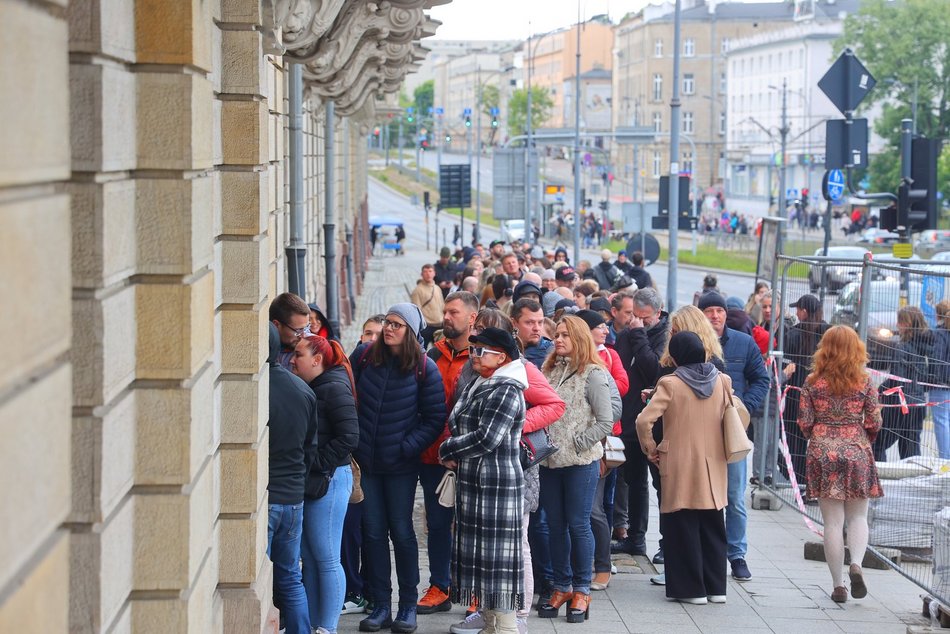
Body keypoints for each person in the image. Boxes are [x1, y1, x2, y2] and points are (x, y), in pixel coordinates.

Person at [350, 304, 447, 633]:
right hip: (369, 464)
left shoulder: (424, 367)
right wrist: (356, 442)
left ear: (411, 331)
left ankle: (407, 606)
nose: (388, 328)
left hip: (401, 467)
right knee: (373, 534)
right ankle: (379, 603)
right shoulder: (365, 356)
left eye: (396, 325)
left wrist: (405, 448)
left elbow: (434, 419)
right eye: (387, 323)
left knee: (402, 533)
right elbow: (349, 397)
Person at [636, 331, 746, 605]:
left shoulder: (670, 383)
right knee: (712, 525)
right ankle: (716, 588)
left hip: (679, 463)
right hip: (714, 465)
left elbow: (643, 421)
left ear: (675, 355)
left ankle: (691, 590)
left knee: (681, 525)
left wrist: (651, 449)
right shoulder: (722, 380)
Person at [439, 327, 528, 634]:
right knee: (484, 562)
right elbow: (456, 420)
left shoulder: (507, 388)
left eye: (480, 351)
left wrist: (448, 448)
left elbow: (487, 438)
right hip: (475, 483)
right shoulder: (482, 381)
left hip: (498, 486)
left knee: (498, 565)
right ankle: (490, 624)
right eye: (474, 350)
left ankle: (505, 628)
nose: (474, 355)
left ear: (501, 356)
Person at [797, 326, 883, 603]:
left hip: (823, 450)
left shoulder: (812, 381)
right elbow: (874, 422)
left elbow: (804, 423)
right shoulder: (866, 381)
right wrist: (859, 436)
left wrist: (822, 436)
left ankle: (838, 585)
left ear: (825, 348)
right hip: (856, 449)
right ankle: (856, 562)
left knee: (832, 523)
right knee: (858, 516)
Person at [539, 316, 614, 623]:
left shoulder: (593, 373)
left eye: (565, 335)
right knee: (554, 525)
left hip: (581, 462)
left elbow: (605, 420)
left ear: (580, 338)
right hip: (549, 460)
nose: (558, 340)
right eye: (556, 334)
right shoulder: (550, 370)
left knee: (578, 524)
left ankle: (582, 588)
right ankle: (562, 584)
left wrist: (580, 442)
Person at [648, 305, 726, 586]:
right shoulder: (718, 373)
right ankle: (711, 584)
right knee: (707, 516)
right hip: (709, 454)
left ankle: (688, 580)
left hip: (673, 450)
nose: (673, 336)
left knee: (682, 515)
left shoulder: (674, 373)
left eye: (677, 331)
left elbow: (646, 420)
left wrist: (650, 448)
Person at [416, 291, 480, 617]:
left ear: (472, 318)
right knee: (438, 525)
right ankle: (440, 586)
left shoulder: (482, 356)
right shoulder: (432, 355)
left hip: (468, 456)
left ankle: (473, 592)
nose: (447, 317)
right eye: (446, 311)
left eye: (454, 312)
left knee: (471, 526)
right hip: (433, 455)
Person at [291, 335, 359, 633]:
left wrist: (317, 463)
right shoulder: (318, 385)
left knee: (327, 557)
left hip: (330, 481)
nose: (293, 360)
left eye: (298, 355)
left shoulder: (332, 386)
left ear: (317, 360)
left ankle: (327, 627)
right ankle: (314, 624)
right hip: (318, 480)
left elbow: (349, 436)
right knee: (311, 557)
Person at [699, 291, 769, 582]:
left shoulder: (743, 342)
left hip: (732, 433)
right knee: (702, 497)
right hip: (700, 432)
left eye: (720, 310)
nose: (715, 315)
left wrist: (745, 407)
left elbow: (761, 379)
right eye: (709, 310)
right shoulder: (693, 343)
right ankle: (704, 551)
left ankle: (737, 554)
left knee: (735, 497)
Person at [266, 323, 318, 634]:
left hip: (268, 497)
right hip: (293, 497)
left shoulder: (255, 389)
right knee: (289, 577)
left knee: (257, 579)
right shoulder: (303, 390)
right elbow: (310, 448)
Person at [614, 288, 669, 559]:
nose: (637, 322)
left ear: (658, 313)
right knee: (634, 482)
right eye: (633, 316)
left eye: (644, 318)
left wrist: (638, 336)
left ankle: (666, 544)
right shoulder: (626, 335)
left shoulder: (667, 336)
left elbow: (654, 372)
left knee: (662, 485)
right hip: (629, 422)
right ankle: (635, 539)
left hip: (657, 424)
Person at [575, 309, 628, 591]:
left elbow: (615, 403)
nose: (606, 330)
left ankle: (603, 566)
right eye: (600, 327)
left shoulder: (604, 362)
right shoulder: (561, 364)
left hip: (597, 446)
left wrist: (598, 445)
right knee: (575, 513)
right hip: (567, 452)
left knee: (594, 509)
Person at [781, 294, 830, 489]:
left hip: (796, 395)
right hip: (822, 396)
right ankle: (818, 485)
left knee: (795, 441)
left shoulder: (792, 334)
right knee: (820, 443)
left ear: (805, 312)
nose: (796, 313)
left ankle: (800, 482)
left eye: (798, 309)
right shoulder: (829, 334)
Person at [874, 306, 935, 460]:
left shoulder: (901, 347)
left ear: (906, 324)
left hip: (899, 404)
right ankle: (912, 480)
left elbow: (896, 379)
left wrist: (880, 390)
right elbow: (927, 379)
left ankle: (880, 478)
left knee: (878, 443)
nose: (896, 325)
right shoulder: (927, 348)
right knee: (910, 447)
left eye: (899, 321)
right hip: (918, 404)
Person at [270, 292, 312, 369]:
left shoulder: (314, 348)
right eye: (299, 330)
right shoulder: (263, 352)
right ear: (276, 325)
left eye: (307, 327)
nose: (304, 335)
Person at [411, 263, 445, 348]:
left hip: (439, 325)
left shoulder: (437, 288)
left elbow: (442, 305)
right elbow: (416, 310)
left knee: (440, 351)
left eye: (430, 271)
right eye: (425, 272)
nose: (428, 274)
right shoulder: (418, 290)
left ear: (434, 273)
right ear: (422, 274)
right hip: (426, 327)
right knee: (421, 351)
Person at [932, 300, 950, 459]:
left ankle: (945, 459)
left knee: (941, 421)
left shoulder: (939, 333)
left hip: (941, 385)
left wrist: (935, 378)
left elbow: (937, 359)